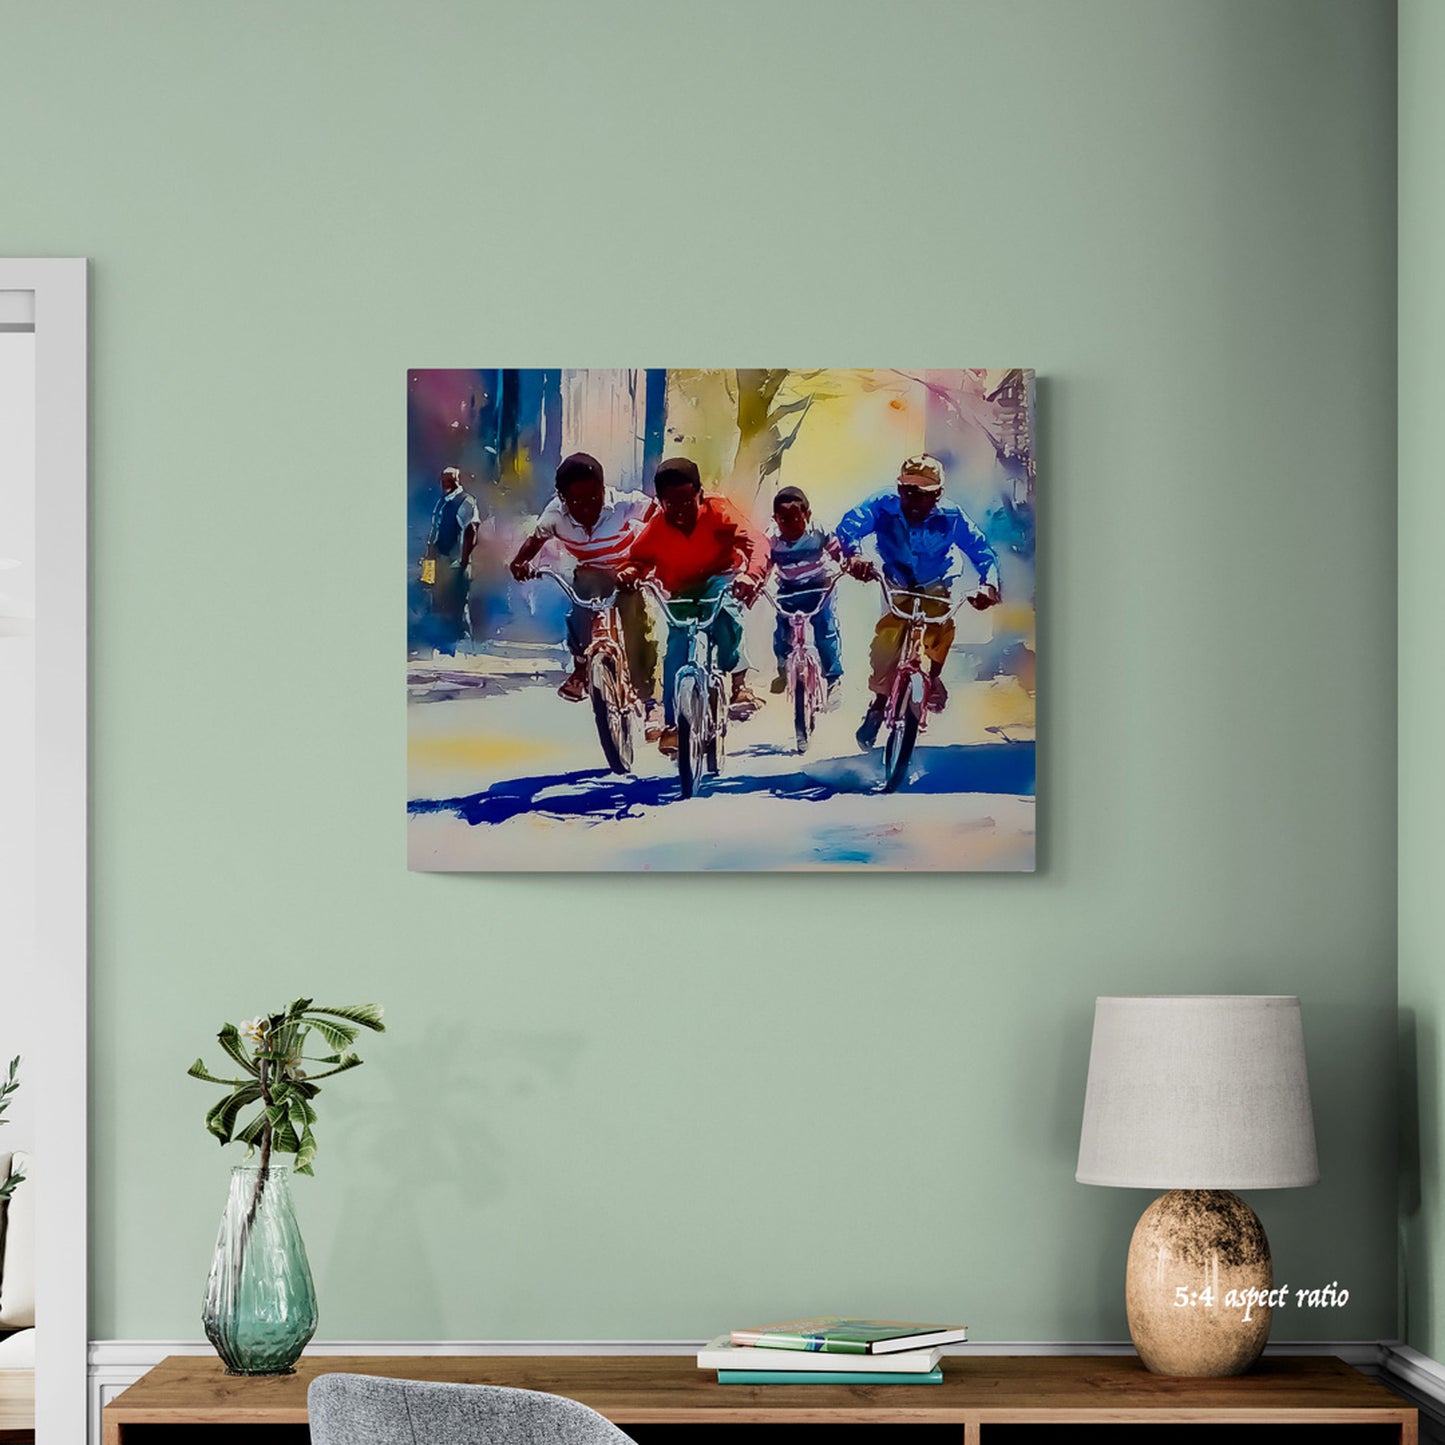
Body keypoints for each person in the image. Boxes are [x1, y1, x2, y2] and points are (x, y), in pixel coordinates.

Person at [835, 453, 1000, 749]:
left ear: (938, 495)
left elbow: (981, 551)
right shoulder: (882, 505)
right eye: (906, 491)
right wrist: (855, 555)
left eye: (922, 494)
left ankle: (934, 679)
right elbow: (849, 526)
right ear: (898, 489)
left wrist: (988, 585)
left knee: (941, 629)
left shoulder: (952, 516)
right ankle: (879, 703)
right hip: (897, 581)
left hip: (937, 581)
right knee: (887, 638)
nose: (912, 501)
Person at [616, 457, 767, 756]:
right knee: (675, 653)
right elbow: (638, 559)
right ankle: (673, 726)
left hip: (719, 577)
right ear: (660, 502)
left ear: (700, 493)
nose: (681, 510)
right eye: (671, 504)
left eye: (688, 501)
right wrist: (631, 572)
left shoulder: (719, 511)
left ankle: (738, 683)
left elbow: (756, 542)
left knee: (726, 618)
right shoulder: (657, 527)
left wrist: (751, 576)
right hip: (681, 592)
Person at [509, 452, 659, 727]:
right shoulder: (554, 514)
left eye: (594, 498)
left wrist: (648, 560)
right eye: (577, 501)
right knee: (580, 609)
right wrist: (520, 562)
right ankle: (581, 668)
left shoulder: (626, 504)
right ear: (563, 498)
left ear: (603, 489)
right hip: (590, 571)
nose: (588, 508)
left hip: (627, 569)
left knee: (636, 624)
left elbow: (660, 517)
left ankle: (648, 697)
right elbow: (535, 540)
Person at [765, 485, 844, 710]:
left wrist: (847, 563)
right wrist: (757, 580)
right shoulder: (771, 538)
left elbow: (838, 551)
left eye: (796, 519)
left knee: (825, 630)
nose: (790, 526)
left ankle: (833, 680)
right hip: (789, 589)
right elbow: (764, 562)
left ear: (807, 516)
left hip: (819, 587)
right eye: (783, 520)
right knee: (782, 631)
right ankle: (783, 667)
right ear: (775, 519)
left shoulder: (819, 531)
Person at [422, 467, 480, 650]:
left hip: (455, 560)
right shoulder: (441, 502)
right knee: (440, 600)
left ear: (458, 480)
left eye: (450, 480)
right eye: (444, 480)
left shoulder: (466, 501)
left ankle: (462, 645)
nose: (446, 484)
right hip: (440, 559)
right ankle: (445, 643)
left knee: (457, 601)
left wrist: (463, 560)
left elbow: (472, 530)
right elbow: (435, 529)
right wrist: (429, 555)